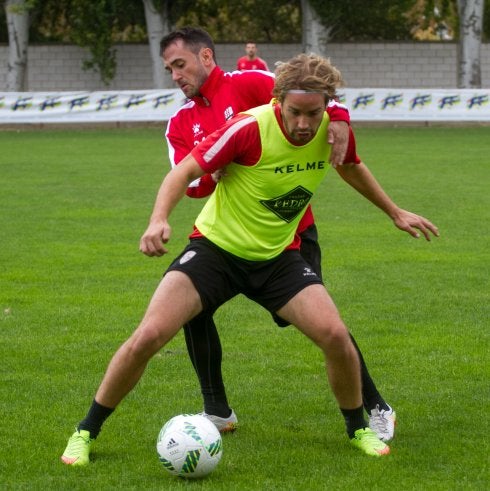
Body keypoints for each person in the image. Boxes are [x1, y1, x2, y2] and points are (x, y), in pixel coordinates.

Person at [61, 52, 439, 466]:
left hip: (277, 257)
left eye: (313, 113)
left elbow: (350, 168)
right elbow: (183, 172)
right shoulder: (247, 127)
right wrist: (158, 219)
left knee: (335, 335)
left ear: (327, 107)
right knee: (149, 336)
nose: (303, 124)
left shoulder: (332, 130)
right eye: (294, 112)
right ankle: (85, 431)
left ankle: (358, 428)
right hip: (215, 252)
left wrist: (394, 212)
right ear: (279, 101)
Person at [161, 27, 396, 441]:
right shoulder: (180, 121)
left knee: (324, 325)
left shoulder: (249, 82)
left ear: (206, 57)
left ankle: (375, 405)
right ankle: (217, 410)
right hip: (230, 237)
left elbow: (312, 91)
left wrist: (341, 119)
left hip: (292, 232)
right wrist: (214, 173)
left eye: (180, 65)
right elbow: (190, 182)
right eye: (170, 70)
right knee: (192, 309)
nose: (176, 76)